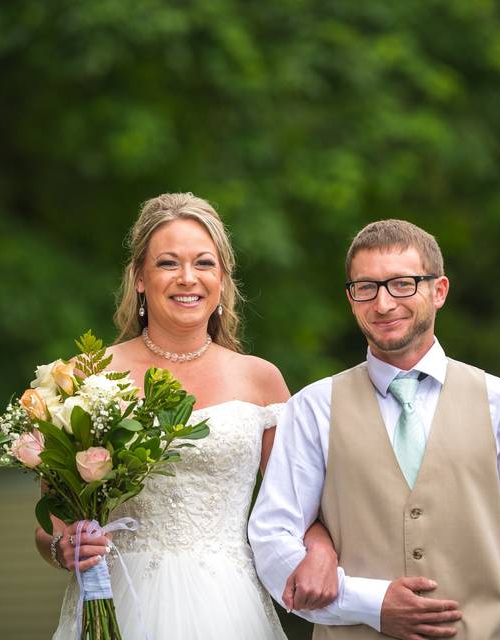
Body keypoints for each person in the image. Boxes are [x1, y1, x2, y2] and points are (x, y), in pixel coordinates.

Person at [249, 219, 500, 639]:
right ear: (351, 299)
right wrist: (370, 602)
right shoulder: (313, 408)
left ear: (438, 291)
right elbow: (273, 542)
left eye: (402, 284)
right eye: (365, 288)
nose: (383, 304)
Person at [36, 193, 339, 639]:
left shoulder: (261, 380)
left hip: (229, 608)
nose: (187, 278)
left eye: (203, 263)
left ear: (221, 278)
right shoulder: (87, 376)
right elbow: (50, 528)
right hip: (118, 601)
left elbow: (300, 506)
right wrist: (65, 548)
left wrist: (322, 551)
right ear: (139, 278)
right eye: (167, 264)